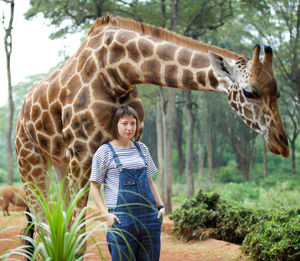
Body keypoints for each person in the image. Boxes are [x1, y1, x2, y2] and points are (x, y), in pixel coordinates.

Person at [90, 105, 165, 261]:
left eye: (133, 123)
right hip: (121, 221)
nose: (129, 128)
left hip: (149, 220)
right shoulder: (104, 152)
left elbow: (150, 181)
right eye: (124, 123)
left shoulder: (142, 149)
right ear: (116, 124)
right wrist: (106, 215)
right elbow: (94, 186)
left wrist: (161, 206)